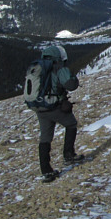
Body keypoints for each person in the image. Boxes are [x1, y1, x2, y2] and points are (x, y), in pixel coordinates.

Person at [36, 44, 83, 182]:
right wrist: (73, 77)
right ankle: (68, 155)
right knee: (71, 124)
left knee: (45, 137)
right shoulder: (58, 67)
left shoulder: (38, 67)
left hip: (39, 107)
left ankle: (46, 171)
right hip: (54, 106)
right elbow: (70, 84)